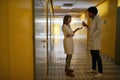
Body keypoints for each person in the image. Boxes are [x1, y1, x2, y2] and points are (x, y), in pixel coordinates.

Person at [82, 6, 103, 78]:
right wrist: (86, 26)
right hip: (92, 41)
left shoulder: (99, 19)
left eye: (89, 13)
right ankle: (93, 68)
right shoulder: (93, 19)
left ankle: (100, 72)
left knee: (97, 56)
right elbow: (92, 29)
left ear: (92, 13)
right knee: (93, 55)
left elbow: (99, 30)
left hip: (95, 41)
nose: (88, 14)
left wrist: (93, 36)